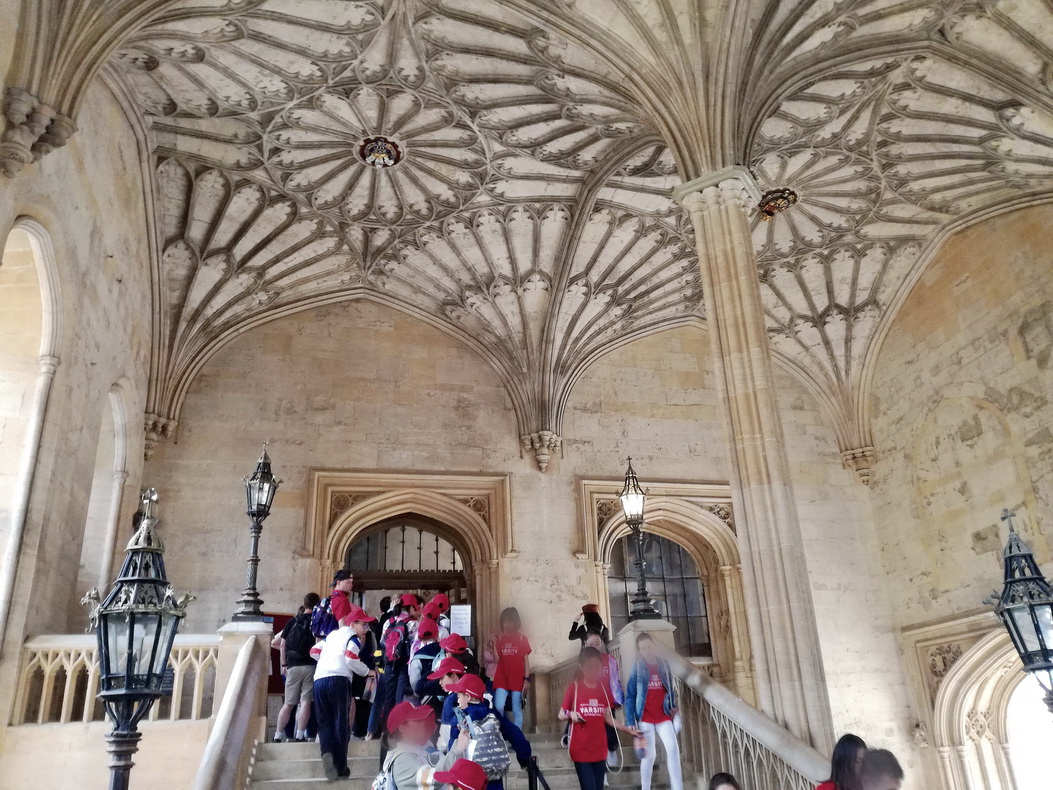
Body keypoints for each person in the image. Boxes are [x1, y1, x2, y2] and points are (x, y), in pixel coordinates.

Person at [560, 647, 641, 790]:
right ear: (581, 667)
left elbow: (608, 718)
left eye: (597, 667)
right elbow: (561, 714)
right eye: (590, 668)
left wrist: (627, 730)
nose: (594, 671)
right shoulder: (575, 688)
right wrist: (570, 714)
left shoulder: (603, 689)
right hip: (580, 750)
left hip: (599, 749)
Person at [310, 605, 374, 780]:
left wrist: (327, 660)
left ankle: (327, 753)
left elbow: (314, 651)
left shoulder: (331, 636)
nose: (366, 630)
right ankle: (340, 766)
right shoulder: (352, 637)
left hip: (319, 679)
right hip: (339, 680)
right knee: (341, 721)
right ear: (353, 624)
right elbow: (351, 657)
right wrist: (367, 671)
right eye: (364, 625)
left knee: (324, 723)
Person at [448, 673, 532, 790]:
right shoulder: (493, 715)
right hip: (494, 776)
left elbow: (452, 749)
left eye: (458, 696)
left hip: (469, 780)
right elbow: (515, 733)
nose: (457, 701)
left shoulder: (459, 721)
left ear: (468, 696)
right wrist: (524, 759)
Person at [625, 632, 683, 790]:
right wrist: (630, 721)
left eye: (649, 646)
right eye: (643, 648)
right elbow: (630, 695)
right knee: (649, 755)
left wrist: (672, 707)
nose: (647, 650)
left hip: (663, 715)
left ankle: (678, 787)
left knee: (672, 749)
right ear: (640, 651)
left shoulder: (664, 664)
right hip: (645, 717)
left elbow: (669, 688)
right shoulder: (637, 668)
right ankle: (646, 788)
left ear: (654, 646)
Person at [382, 700, 468, 789]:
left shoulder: (420, 749)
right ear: (403, 728)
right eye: (417, 720)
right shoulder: (401, 759)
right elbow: (435, 778)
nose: (423, 723)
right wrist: (458, 749)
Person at [271, 593, 320, 743]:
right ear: (317, 605)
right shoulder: (317, 621)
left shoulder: (293, 621)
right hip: (311, 666)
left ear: (304, 605)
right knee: (306, 702)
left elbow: (282, 643)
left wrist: (284, 664)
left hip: (292, 666)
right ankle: (300, 734)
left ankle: (278, 735)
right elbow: (319, 644)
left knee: (288, 704)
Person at [381, 593, 422, 722]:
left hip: (389, 663)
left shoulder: (389, 622)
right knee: (400, 696)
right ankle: (398, 726)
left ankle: (386, 728)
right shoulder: (413, 624)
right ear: (410, 608)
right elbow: (417, 645)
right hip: (404, 662)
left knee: (389, 697)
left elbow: (383, 642)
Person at [584, 631, 622, 765]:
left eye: (597, 643)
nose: (594, 646)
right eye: (591, 644)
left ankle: (611, 750)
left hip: (607, 704)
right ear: (585, 645)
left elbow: (615, 680)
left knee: (610, 733)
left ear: (601, 644)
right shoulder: (582, 662)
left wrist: (618, 699)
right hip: (589, 706)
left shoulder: (609, 660)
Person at [492, 607, 531, 729]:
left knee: (516, 709)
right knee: (498, 707)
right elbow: (497, 660)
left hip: (517, 678)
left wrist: (527, 679)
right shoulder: (501, 639)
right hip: (502, 677)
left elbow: (526, 660)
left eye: (509, 621)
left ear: (515, 622)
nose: (506, 625)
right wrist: (494, 643)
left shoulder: (521, 638)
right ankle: (501, 735)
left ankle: (517, 738)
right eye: (504, 621)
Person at [427, 656, 466, 751]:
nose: (440, 683)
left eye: (441, 678)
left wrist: (439, 752)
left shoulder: (450, 700)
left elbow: (445, 735)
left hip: (455, 751)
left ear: (453, 676)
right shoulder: (472, 692)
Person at [409, 617, 443, 710]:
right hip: (444, 695)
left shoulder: (417, 653)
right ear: (437, 634)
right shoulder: (445, 650)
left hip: (426, 698)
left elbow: (414, 680)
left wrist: (418, 693)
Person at [312, 570, 355, 639]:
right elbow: (343, 628)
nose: (351, 585)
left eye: (351, 582)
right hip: (335, 643)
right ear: (338, 582)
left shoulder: (326, 600)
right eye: (348, 582)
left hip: (322, 643)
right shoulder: (342, 600)